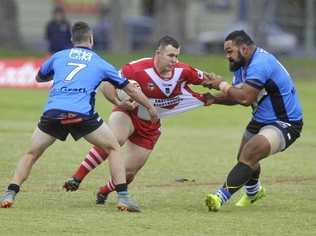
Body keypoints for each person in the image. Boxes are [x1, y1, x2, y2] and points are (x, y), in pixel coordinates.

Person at [0, 21, 158, 212]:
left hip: (53, 112)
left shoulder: (58, 56)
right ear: (91, 39)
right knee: (113, 147)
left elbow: (39, 77)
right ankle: (123, 197)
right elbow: (130, 89)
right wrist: (149, 107)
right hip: (81, 115)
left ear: (72, 40)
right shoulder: (100, 62)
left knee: (31, 153)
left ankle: (10, 192)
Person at [63, 35, 214, 205]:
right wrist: (119, 102)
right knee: (113, 140)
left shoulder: (182, 71)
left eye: (177, 56)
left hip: (149, 127)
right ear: (158, 53)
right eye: (171, 55)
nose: (175, 60)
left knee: (129, 173)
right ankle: (77, 177)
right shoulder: (136, 68)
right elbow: (106, 85)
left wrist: (224, 87)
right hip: (128, 114)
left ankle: (104, 190)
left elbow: (209, 80)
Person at [202, 30, 303, 212]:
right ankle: (254, 191)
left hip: (286, 122)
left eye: (229, 51)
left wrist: (221, 84)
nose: (227, 56)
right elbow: (238, 95)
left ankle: (219, 197)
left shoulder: (260, 63)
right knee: (244, 158)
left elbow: (245, 98)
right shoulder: (242, 65)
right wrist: (214, 98)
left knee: (250, 152)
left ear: (244, 48)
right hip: (260, 119)